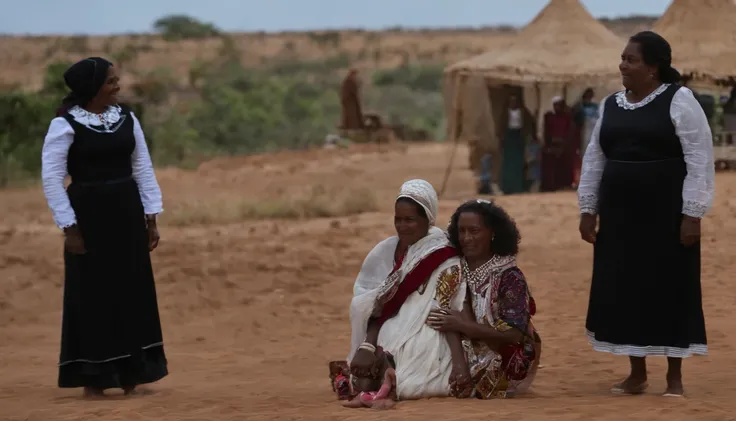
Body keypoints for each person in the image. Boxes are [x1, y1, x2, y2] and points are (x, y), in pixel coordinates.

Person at [578, 31, 714, 397]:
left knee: (670, 284)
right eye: (622, 58)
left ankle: (674, 377)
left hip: (666, 212)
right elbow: (595, 157)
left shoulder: (680, 100)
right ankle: (636, 373)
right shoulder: (611, 105)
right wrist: (588, 208)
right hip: (620, 215)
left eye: (631, 59)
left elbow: (699, 158)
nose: (623, 64)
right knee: (624, 286)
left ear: (653, 68)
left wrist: (693, 213)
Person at [41, 57, 168, 397]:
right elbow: (52, 179)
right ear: (92, 87)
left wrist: (151, 218)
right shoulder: (65, 125)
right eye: (111, 81)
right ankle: (95, 377)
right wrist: (70, 228)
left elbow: (142, 166)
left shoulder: (126, 118)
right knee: (92, 294)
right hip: (89, 216)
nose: (117, 86)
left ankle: (132, 372)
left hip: (127, 211)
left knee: (131, 290)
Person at [337, 179, 470, 401]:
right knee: (384, 342)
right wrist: (368, 345)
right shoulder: (386, 250)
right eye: (398, 219)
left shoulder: (443, 253)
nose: (402, 226)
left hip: (432, 327)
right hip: (391, 326)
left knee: (418, 362)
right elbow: (373, 303)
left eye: (410, 220)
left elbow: (445, 307)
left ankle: (386, 373)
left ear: (428, 219)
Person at [428, 199, 541, 399]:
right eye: (461, 231)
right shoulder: (453, 268)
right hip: (458, 349)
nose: (466, 238)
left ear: (493, 233)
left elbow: (514, 335)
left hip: (504, 356)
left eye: (474, 231)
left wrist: (463, 325)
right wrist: (459, 361)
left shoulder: (509, 276)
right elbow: (443, 318)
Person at [499, 95, 535, 195]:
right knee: (508, 164)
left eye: (515, 101)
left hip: (518, 138)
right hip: (508, 138)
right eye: (511, 101)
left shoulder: (523, 112)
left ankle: (518, 187)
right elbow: (501, 127)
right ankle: (507, 187)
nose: (513, 103)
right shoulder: (505, 113)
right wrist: (502, 139)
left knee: (518, 163)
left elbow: (529, 124)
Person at [542, 97, 576, 191]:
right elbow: (547, 131)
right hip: (553, 145)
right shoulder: (549, 117)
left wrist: (564, 143)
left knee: (564, 166)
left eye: (559, 105)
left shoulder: (567, 117)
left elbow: (570, 131)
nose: (557, 107)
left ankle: (564, 185)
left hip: (564, 145)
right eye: (555, 105)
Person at [572, 88, 600, 157]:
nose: (588, 98)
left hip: (593, 130)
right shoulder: (579, 107)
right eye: (587, 96)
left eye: (590, 96)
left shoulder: (595, 107)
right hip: (582, 131)